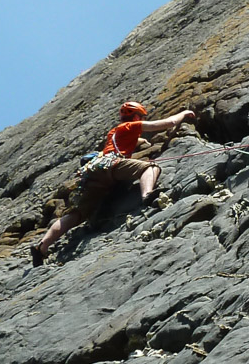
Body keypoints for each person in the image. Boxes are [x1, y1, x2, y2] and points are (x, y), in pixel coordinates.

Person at [32, 102, 195, 265]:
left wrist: (143, 143)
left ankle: (42, 246)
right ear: (137, 116)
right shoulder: (130, 125)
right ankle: (147, 196)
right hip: (111, 166)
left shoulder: (114, 133)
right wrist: (184, 114)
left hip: (93, 174)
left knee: (76, 214)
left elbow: (138, 142)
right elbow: (168, 123)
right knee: (150, 167)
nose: (142, 120)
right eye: (142, 117)